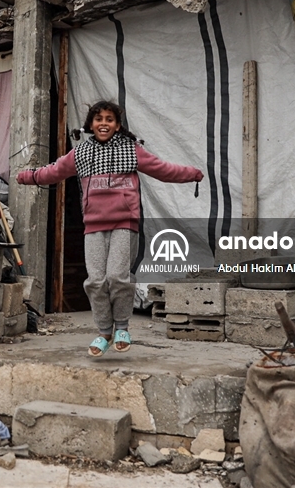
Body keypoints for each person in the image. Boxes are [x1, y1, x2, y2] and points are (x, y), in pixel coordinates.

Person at [16, 100, 203, 357]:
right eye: (98, 119)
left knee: (118, 277)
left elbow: (163, 169)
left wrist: (192, 173)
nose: (104, 123)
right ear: (90, 124)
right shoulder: (80, 153)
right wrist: (28, 176)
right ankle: (104, 331)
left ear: (117, 125)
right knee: (95, 281)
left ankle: (123, 327)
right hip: (93, 225)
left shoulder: (131, 149)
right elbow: (54, 172)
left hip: (124, 223)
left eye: (110, 119)